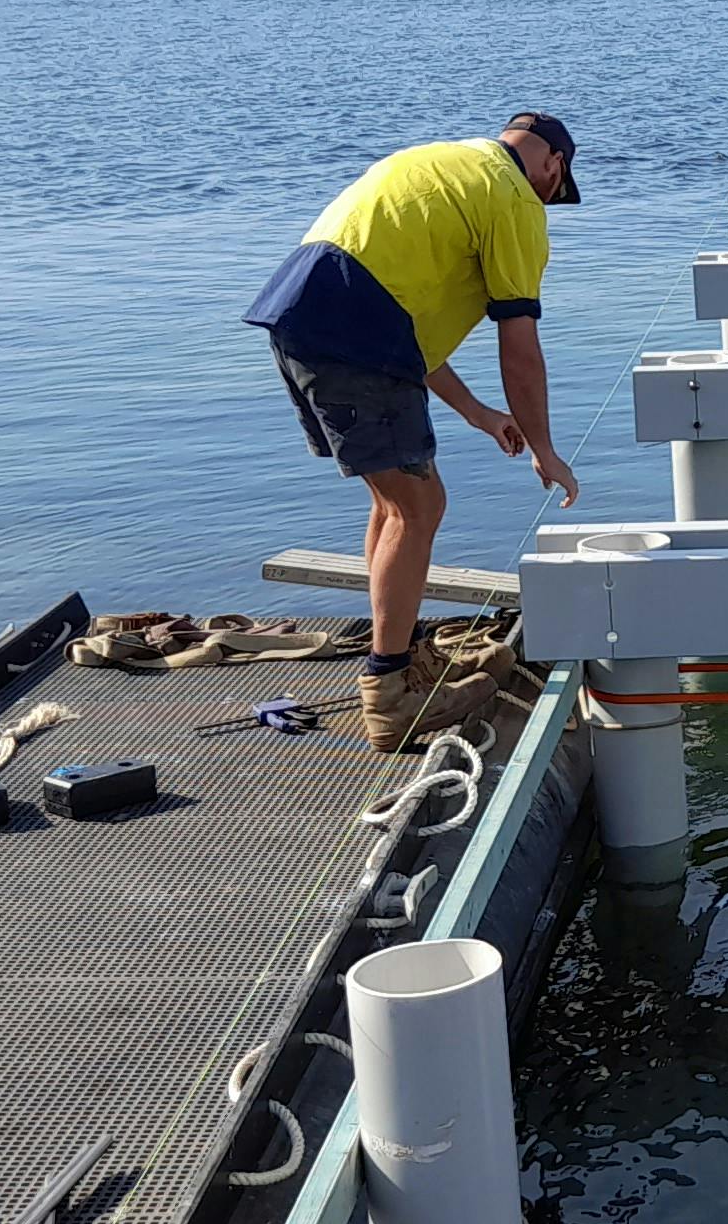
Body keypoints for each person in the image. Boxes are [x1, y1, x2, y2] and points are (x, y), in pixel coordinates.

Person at [246, 114, 584, 748]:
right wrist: (546, 450)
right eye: (554, 191)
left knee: (395, 502)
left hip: (301, 318)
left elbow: (403, 315)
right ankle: (391, 697)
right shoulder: (514, 199)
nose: (548, 202)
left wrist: (478, 413)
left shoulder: (441, 164)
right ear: (553, 167)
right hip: (354, 338)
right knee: (419, 506)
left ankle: (396, 658)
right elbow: (520, 345)